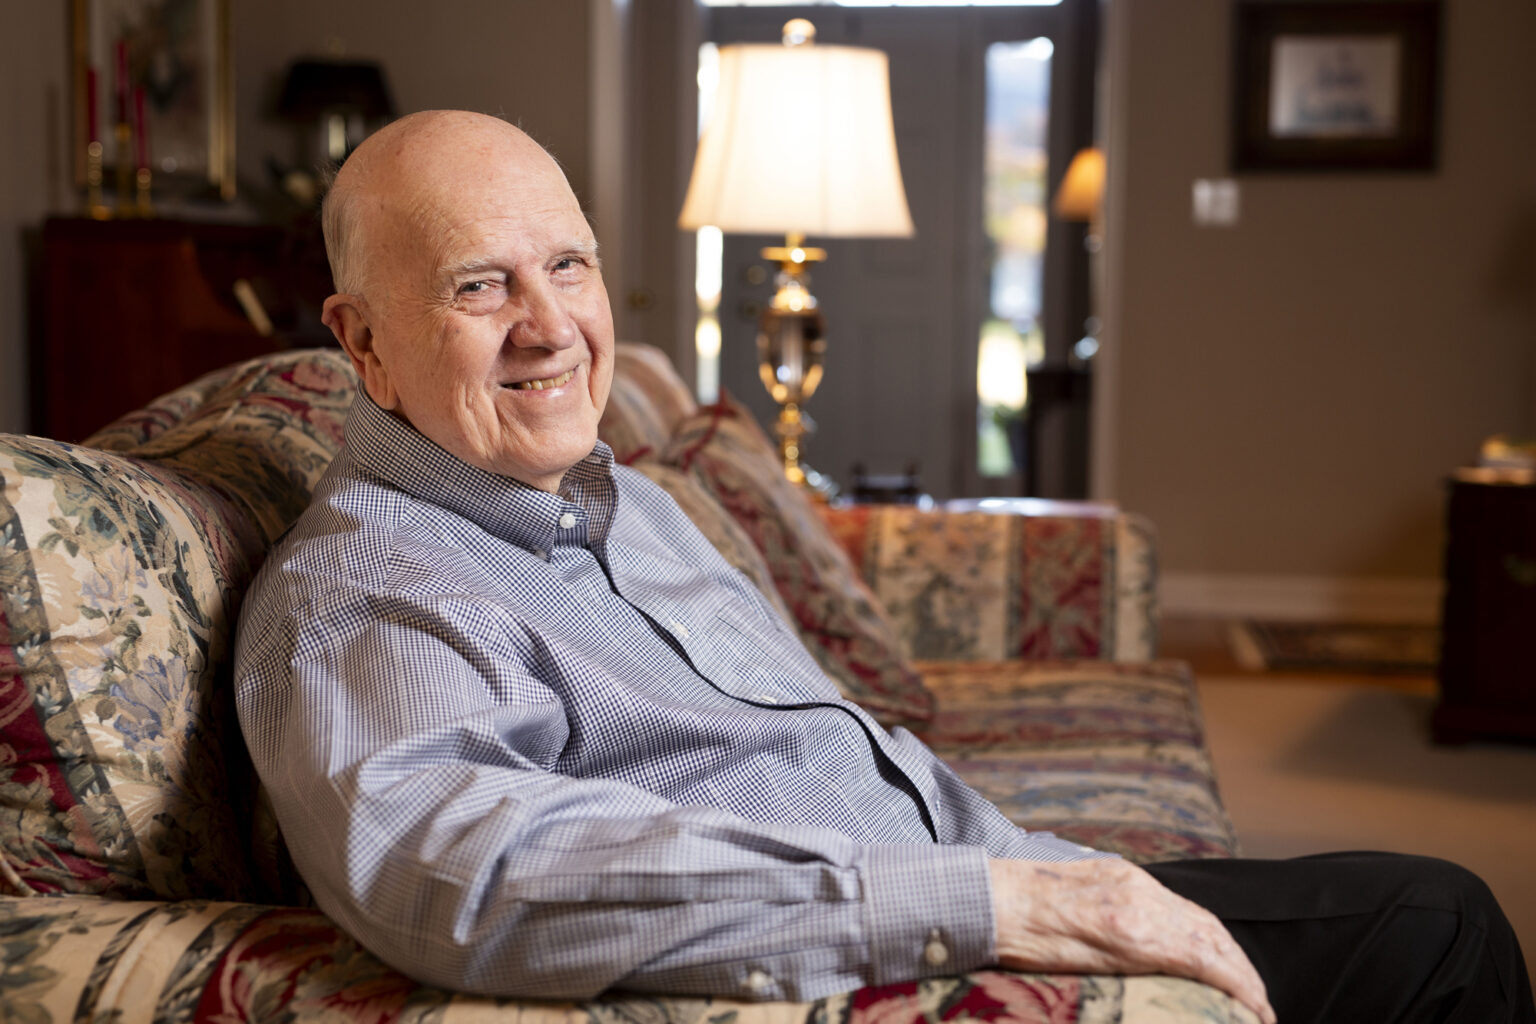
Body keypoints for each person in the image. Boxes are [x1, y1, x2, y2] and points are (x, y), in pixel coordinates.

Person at [234, 111, 1531, 1024]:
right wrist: (993, 905)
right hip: (912, 955)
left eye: (567, 264)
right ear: (363, 341)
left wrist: (1028, 867)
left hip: (991, 863)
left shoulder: (614, 497)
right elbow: (479, 879)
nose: (552, 326)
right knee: (1438, 932)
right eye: (479, 286)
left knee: (1414, 908)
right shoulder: (366, 593)